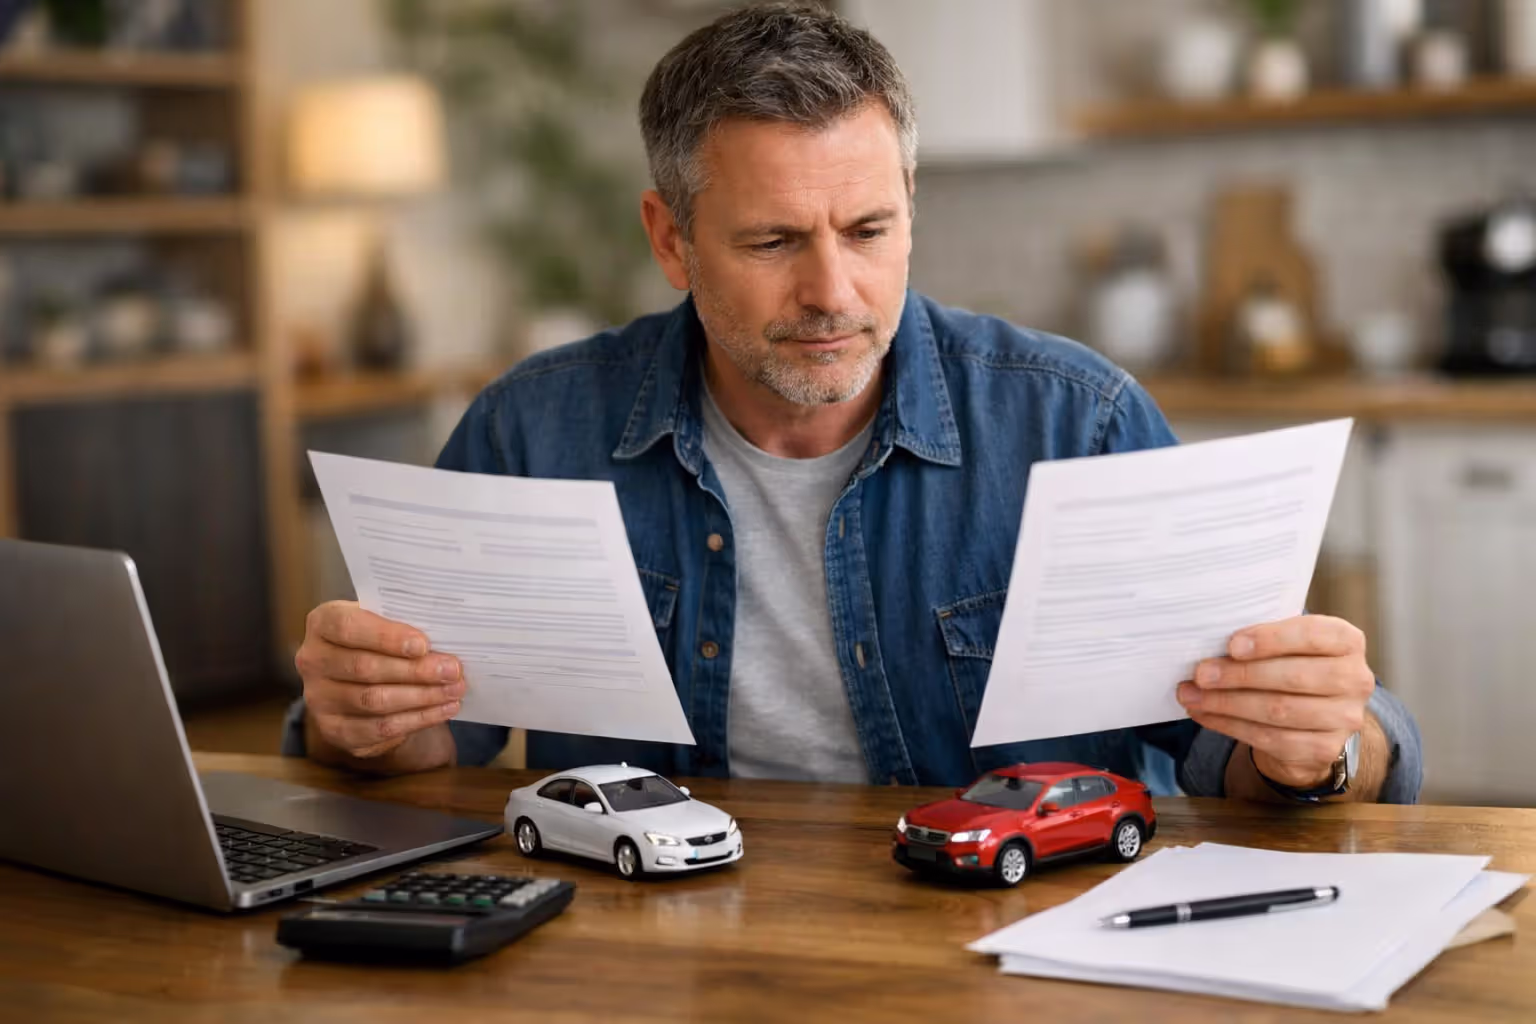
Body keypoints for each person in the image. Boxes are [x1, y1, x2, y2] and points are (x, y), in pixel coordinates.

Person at [284, 2, 1420, 804]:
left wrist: (1322, 743)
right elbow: (435, 743)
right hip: (652, 960)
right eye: (774, 240)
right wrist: (362, 719)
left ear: (910, 207)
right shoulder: (534, 432)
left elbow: (1240, 757)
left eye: (869, 232)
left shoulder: (1081, 423)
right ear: (670, 238)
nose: (833, 292)